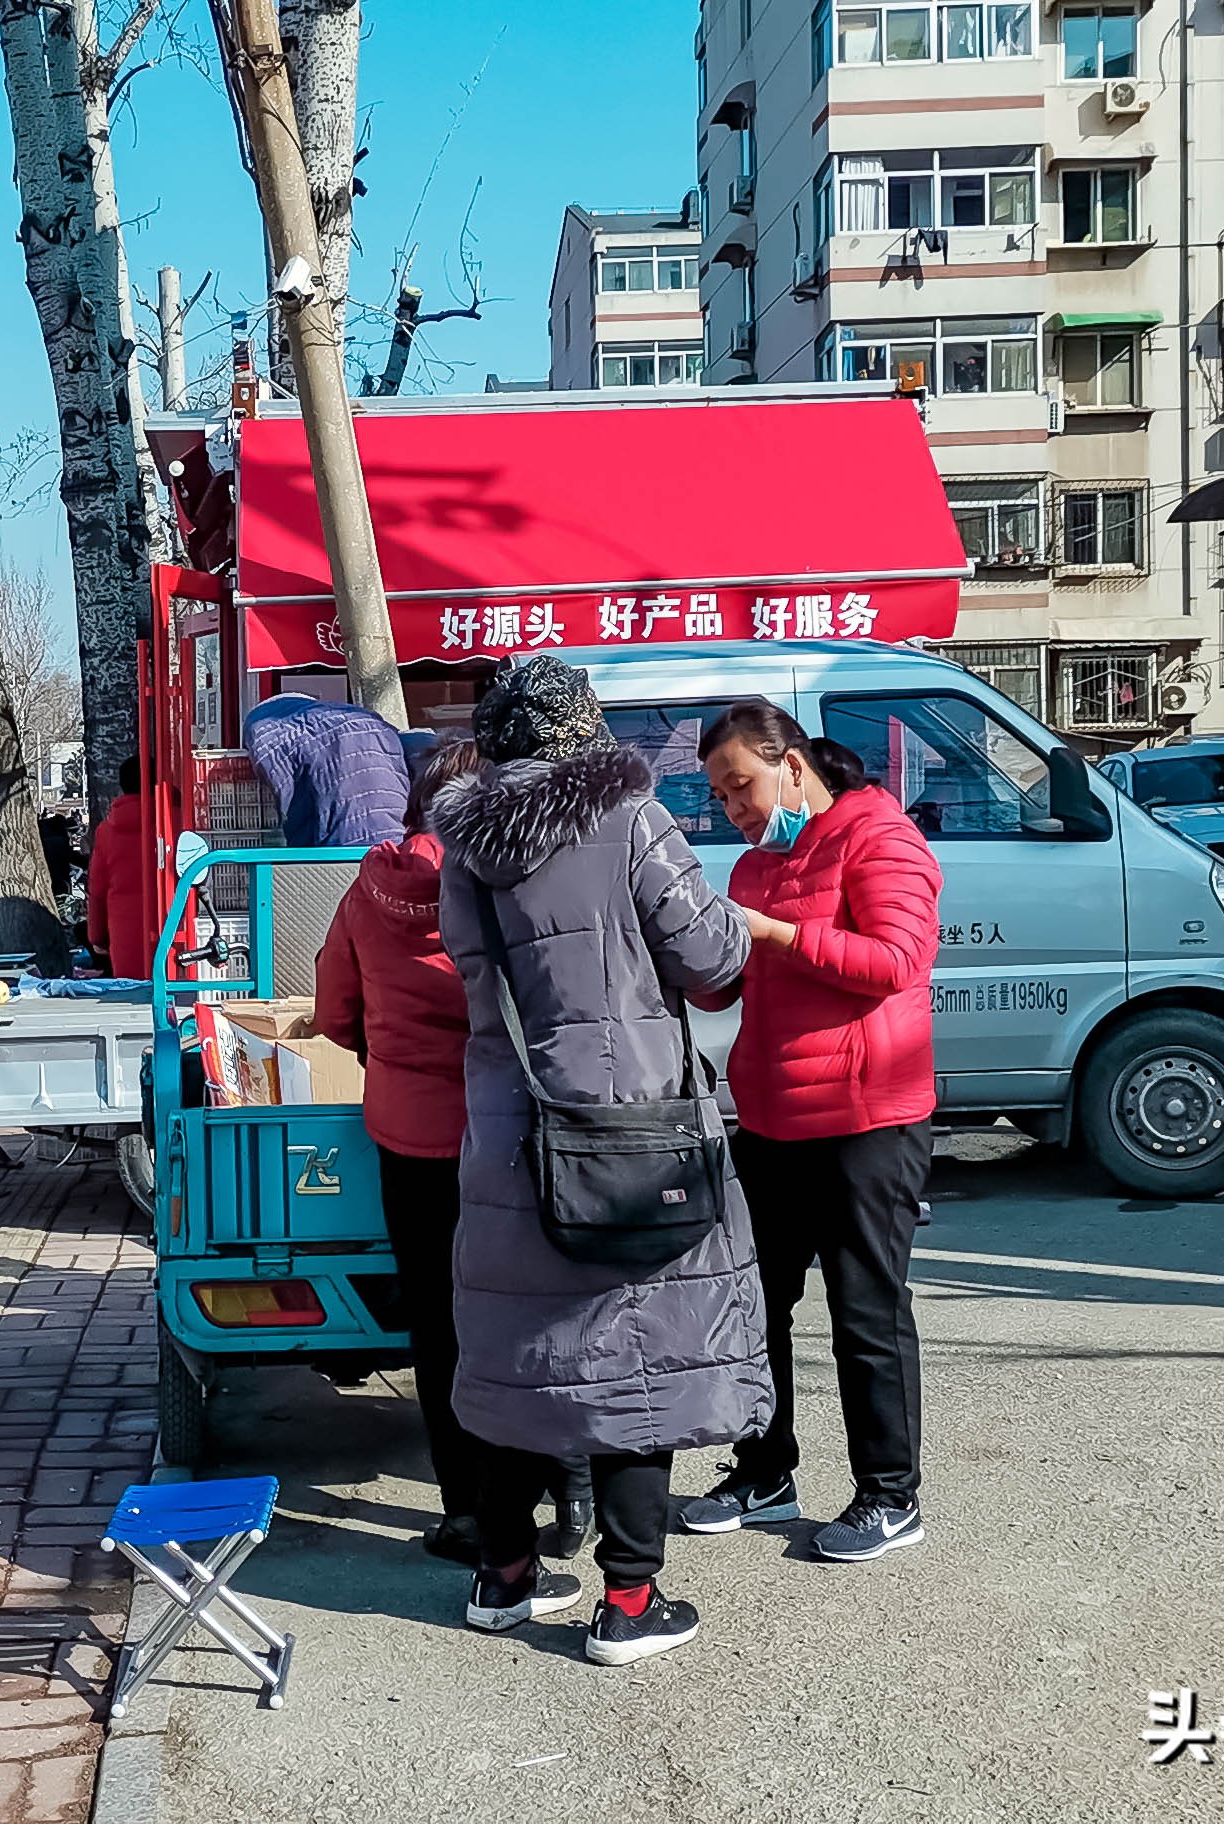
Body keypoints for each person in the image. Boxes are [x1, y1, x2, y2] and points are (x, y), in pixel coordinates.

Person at [426, 655, 764, 1666]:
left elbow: (475, 974)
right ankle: (628, 1601)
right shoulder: (631, 818)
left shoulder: (463, 846)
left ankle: (504, 1576)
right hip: (627, 1131)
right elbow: (712, 958)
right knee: (637, 1360)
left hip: (507, 1128)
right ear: (585, 728)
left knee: (512, 1357)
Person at [673, 698, 942, 1560]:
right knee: (755, 1304)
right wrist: (695, 949)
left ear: (790, 764)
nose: (733, 808)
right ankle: (764, 1470)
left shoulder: (880, 837)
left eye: (740, 785)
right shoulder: (756, 866)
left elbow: (896, 961)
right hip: (772, 1117)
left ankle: (890, 1495)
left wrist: (777, 933)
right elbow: (731, 981)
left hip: (867, 1118)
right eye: (719, 796)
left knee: (865, 1310)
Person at [313, 740, 514, 1563]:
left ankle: (464, 1510)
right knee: (523, 1311)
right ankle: (563, 1487)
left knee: (438, 1324)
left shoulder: (367, 891)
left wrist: (382, 1049)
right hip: (503, 1130)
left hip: (407, 1136)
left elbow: (333, 1009)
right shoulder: (504, 878)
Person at [242, 692, 414, 848]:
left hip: (340, 847)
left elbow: (287, 788)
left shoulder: (266, 728)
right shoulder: (364, 719)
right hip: (395, 840)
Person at [84, 758, 155, 978]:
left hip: (124, 930)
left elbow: (97, 889)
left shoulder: (106, 831)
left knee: (130, 989)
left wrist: (97, 936)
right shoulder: (176, 819)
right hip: (171, 922)